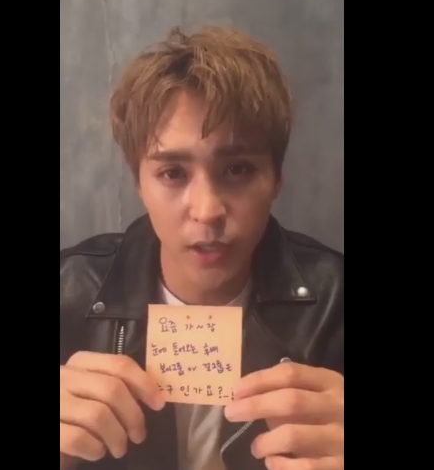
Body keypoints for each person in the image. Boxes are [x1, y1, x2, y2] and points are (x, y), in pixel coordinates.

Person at [60, 26, 344, 470]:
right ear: (139, 183)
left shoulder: (336, 301)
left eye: (238, 169)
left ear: (276, 180)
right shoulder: (68, 290)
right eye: (173, 173)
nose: (208, 211)